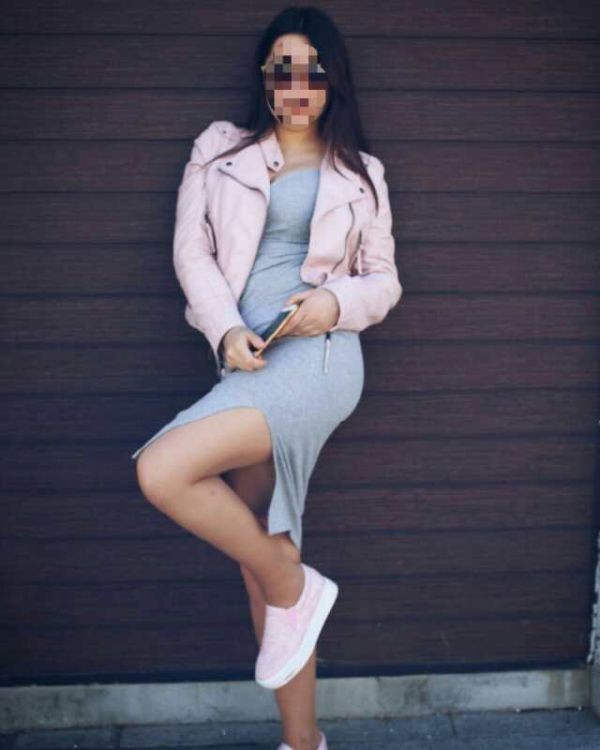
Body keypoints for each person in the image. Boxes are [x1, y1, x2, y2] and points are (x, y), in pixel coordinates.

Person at [131, 7, 402, 750]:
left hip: (319, 360)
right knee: (264, 553)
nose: (297, 84)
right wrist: (225, 330)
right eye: (284, 68)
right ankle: (303, 742)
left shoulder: (361, 173)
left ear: (332, 81)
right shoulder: (220, 151)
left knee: (163, 471)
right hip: (247, 362)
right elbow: (192, 255)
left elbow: (384, 281)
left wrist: (332, 303)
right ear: (264, 77)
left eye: (313, 70)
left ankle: (294, 582)